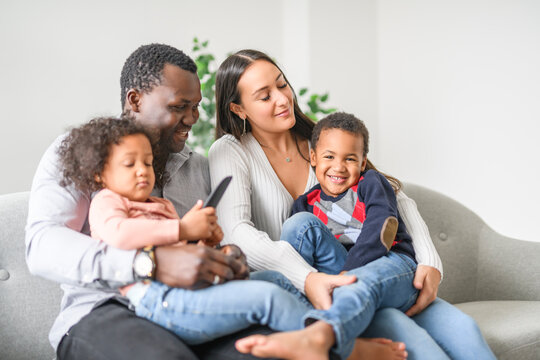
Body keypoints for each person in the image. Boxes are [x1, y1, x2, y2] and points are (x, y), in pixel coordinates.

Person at [209, 49, 493, 359]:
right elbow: (235, 231)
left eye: (282, 84)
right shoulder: (230, 151)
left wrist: (429, 261)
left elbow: (393, 197)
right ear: (238, 108)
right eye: (264, 96)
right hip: (324, 286)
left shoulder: (322, 138)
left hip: (374, 267)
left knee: (465, 330)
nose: (281, 99)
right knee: (412, 341)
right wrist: (308, 278)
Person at [25, 43, 277, 360]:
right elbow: (42, 246)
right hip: (108, 309)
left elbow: (205, 240)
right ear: (135, 100)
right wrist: (147, 265)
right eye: (179, 106)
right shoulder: (79, 152)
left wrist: (227, 257)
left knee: (273, 344)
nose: (192, 119)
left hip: (192, 307)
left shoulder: (197, 166)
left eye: (196, 107)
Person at [57, 116, 315, 345]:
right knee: (268, 297)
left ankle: (321, 329)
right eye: (129, 164)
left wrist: (207, 241)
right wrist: (182, 228)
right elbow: (119, 234)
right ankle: (324, 345)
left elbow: (185, 255)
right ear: (100, 173)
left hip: (193, 287)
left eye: (147, 163)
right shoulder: (108, 201)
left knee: (276, 280)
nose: (142, 171)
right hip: (159, 301)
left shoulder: (162, 205)